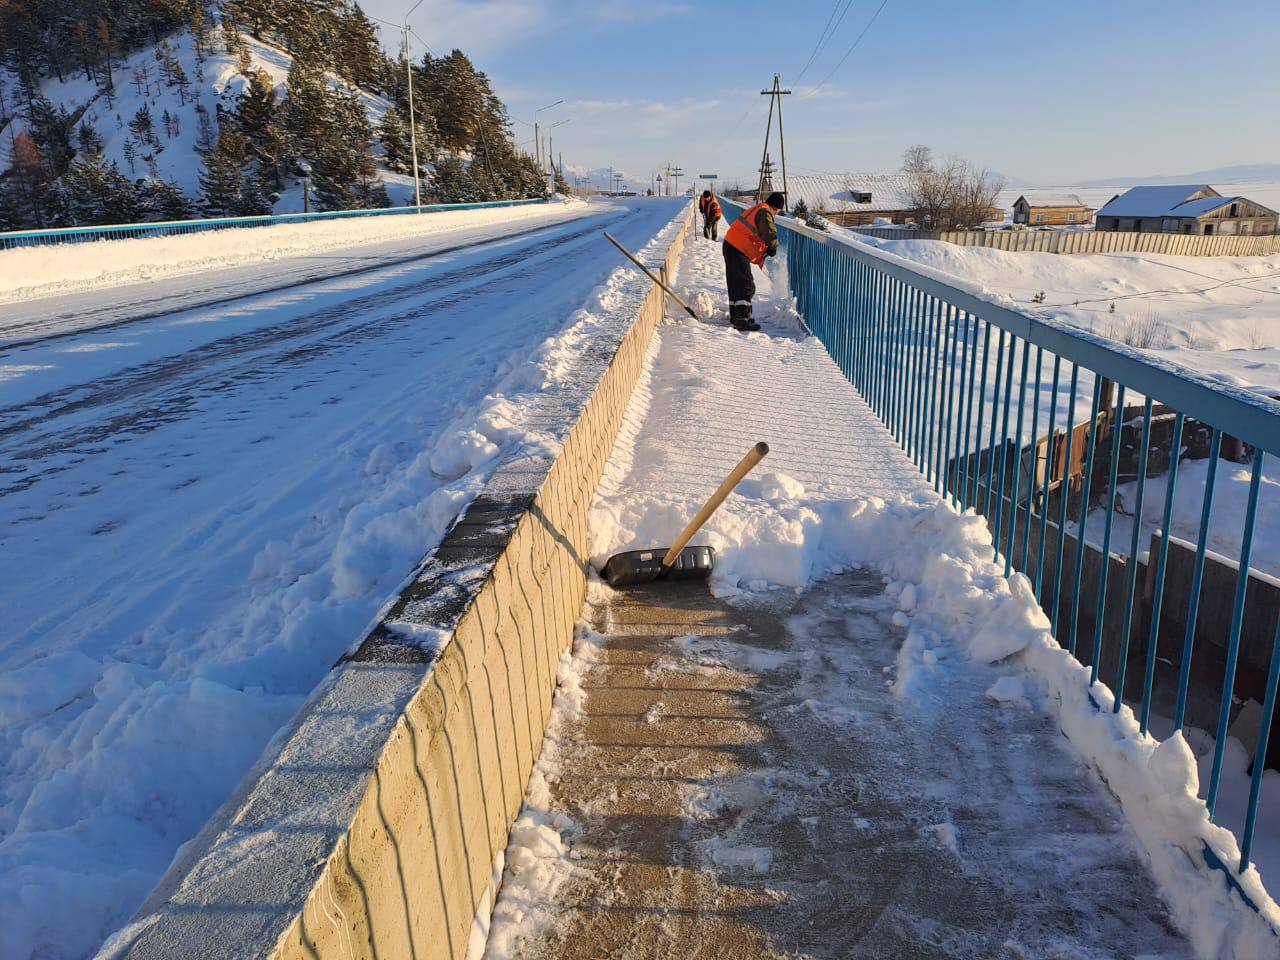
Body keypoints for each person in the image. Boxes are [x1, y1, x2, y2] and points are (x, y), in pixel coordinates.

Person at [721, 191, 784, 332]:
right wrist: (773, 246)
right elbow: (768, 232)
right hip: (738, 248)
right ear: (777, 208)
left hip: (732, 244)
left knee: (735, 282)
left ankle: (736, 316)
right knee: (746, 284)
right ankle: (742, 319)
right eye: (779, 211)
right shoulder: (765, 213)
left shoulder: (758, 208)